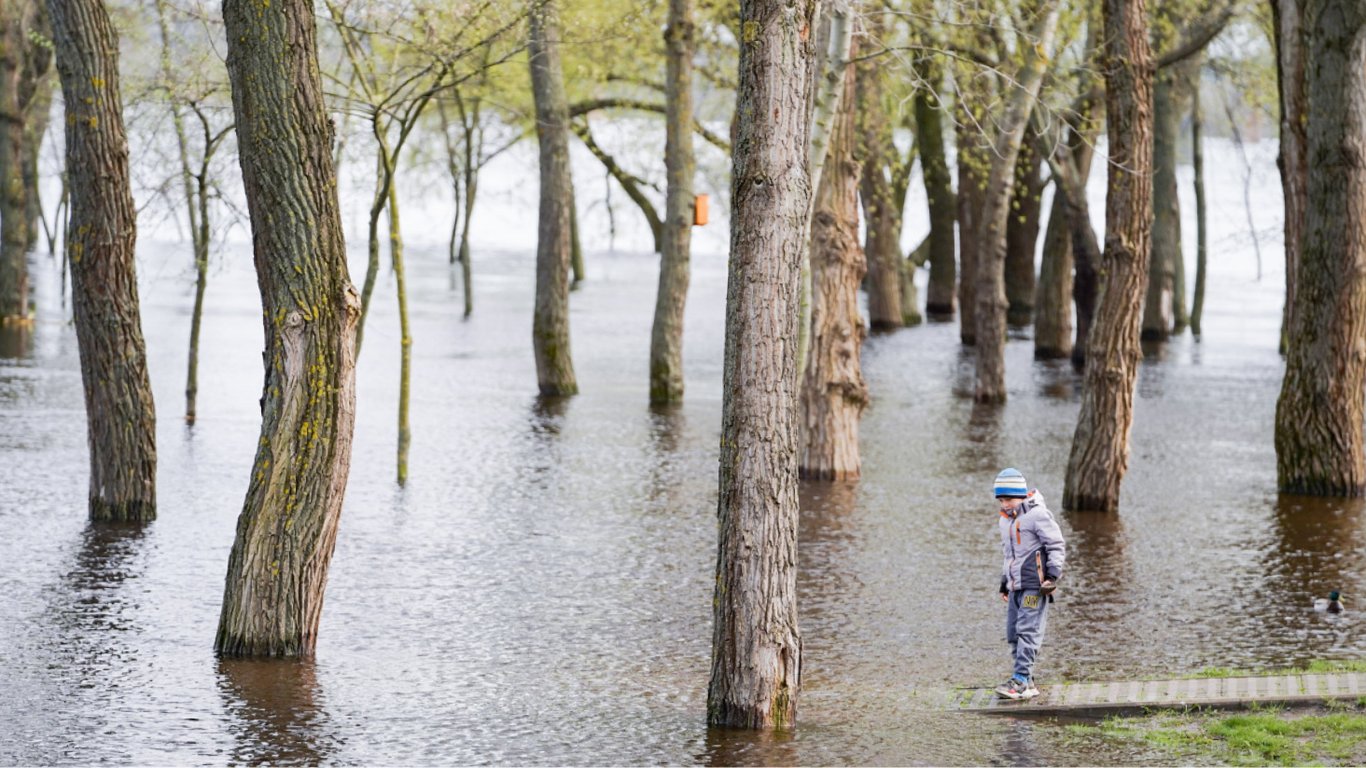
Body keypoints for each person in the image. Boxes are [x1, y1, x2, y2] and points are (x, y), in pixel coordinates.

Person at [993, 467, 1066, 700]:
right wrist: (1005, 581)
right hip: (1016, 585)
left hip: (1036, 584)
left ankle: (1021, 679)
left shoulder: (1038, 515)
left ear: (1022, 495)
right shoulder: (1005, 521)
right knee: (1013, 632)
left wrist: (1052, 575)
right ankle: (1028, 680)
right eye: (1002, 499)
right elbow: (1009, 555)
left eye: (1010, 499)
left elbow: (1056, 544)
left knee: (1028, 630)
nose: (1006, 504)